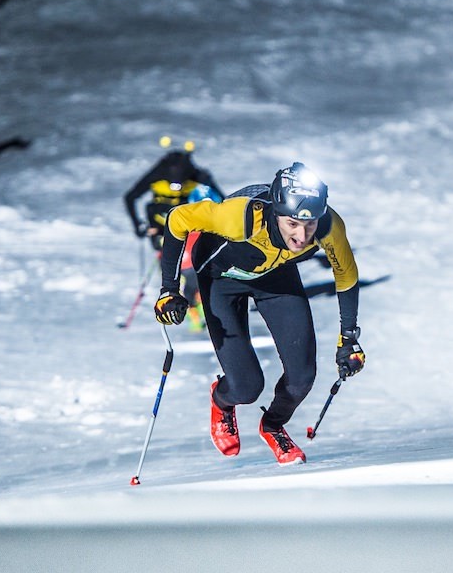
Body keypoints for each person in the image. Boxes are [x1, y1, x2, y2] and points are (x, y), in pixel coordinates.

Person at [153, 162, 366, 465]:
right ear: (277, 213)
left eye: (309, 224)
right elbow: (178, 219)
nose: (302, 235)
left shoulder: (329, 225)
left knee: (302, 379)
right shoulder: (240, 218)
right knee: (246, 386)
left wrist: (349, 337)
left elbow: (345, 274)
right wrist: (169, 290)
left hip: (275, 278)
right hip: (221, 279)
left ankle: (273, 426)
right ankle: (222, 402)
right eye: (292, 224)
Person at [124, 137, 224, 325]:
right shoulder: (157, 173)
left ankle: (198, 304)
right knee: (173, 269)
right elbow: (130, 197)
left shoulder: (197, 175)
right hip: (161, 228)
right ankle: (188, 306)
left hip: (188, 228)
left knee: (192, 267)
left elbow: (222, 201)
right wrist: (139, 225)